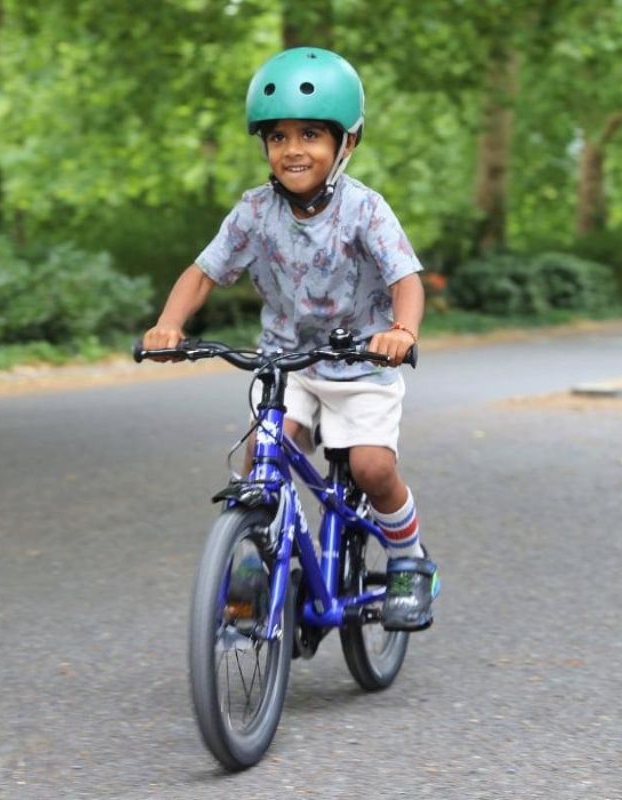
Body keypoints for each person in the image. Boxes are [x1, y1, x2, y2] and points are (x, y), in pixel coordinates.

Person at [142, 47, 439, 631]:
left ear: (345, 144)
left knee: (374, 468)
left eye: (310, 134)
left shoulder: (365, 210)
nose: (293, 149)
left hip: (362, 366)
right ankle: (253, 559)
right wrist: (170, 323)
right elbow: (204, 272)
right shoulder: (254, 212)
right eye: (277, 137)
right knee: (261, 460)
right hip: (288, 365)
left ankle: (409, 558)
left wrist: (401, 332)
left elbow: (406, 278)